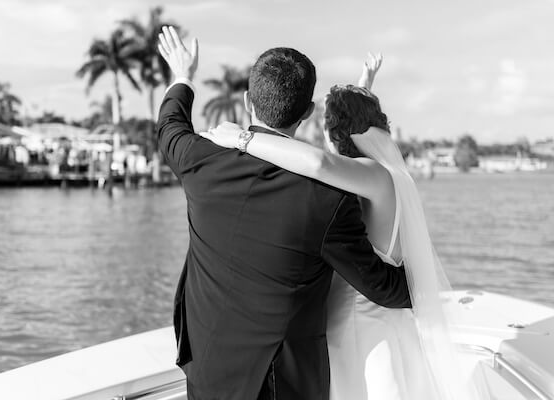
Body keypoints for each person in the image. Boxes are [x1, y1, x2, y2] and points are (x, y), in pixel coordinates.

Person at [199, 58, 486, 399]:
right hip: (388, 324)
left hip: (354, 327)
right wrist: (364, 84)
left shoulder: (371, 175)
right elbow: (342, 137)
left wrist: (241, 138)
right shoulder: (386, 174)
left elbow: (318, 161)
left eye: (328, 127)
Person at [156, 27, 411, 400]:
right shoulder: (329, 199)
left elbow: (169, 125)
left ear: (247, 101)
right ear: (307, 113)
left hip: (206, 361)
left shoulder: (199, 159)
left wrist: (183, 75)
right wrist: (424, 287)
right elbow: (380, 286)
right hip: (279, 383)